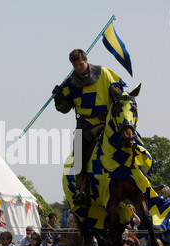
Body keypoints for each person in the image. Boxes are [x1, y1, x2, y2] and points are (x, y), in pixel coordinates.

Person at [53, 48, 126, 206]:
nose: (78, 68)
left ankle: (142, 173)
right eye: (75, 65)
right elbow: (64, 108)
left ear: (86, 60)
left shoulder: (104, 73)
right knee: (78, 152)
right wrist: (58, 99)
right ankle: (82, 190)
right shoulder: (70, 82)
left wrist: (118, 94)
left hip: (108, 122)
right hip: (85, 125)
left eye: (80, 64)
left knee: (130, 137)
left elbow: (120, 94)